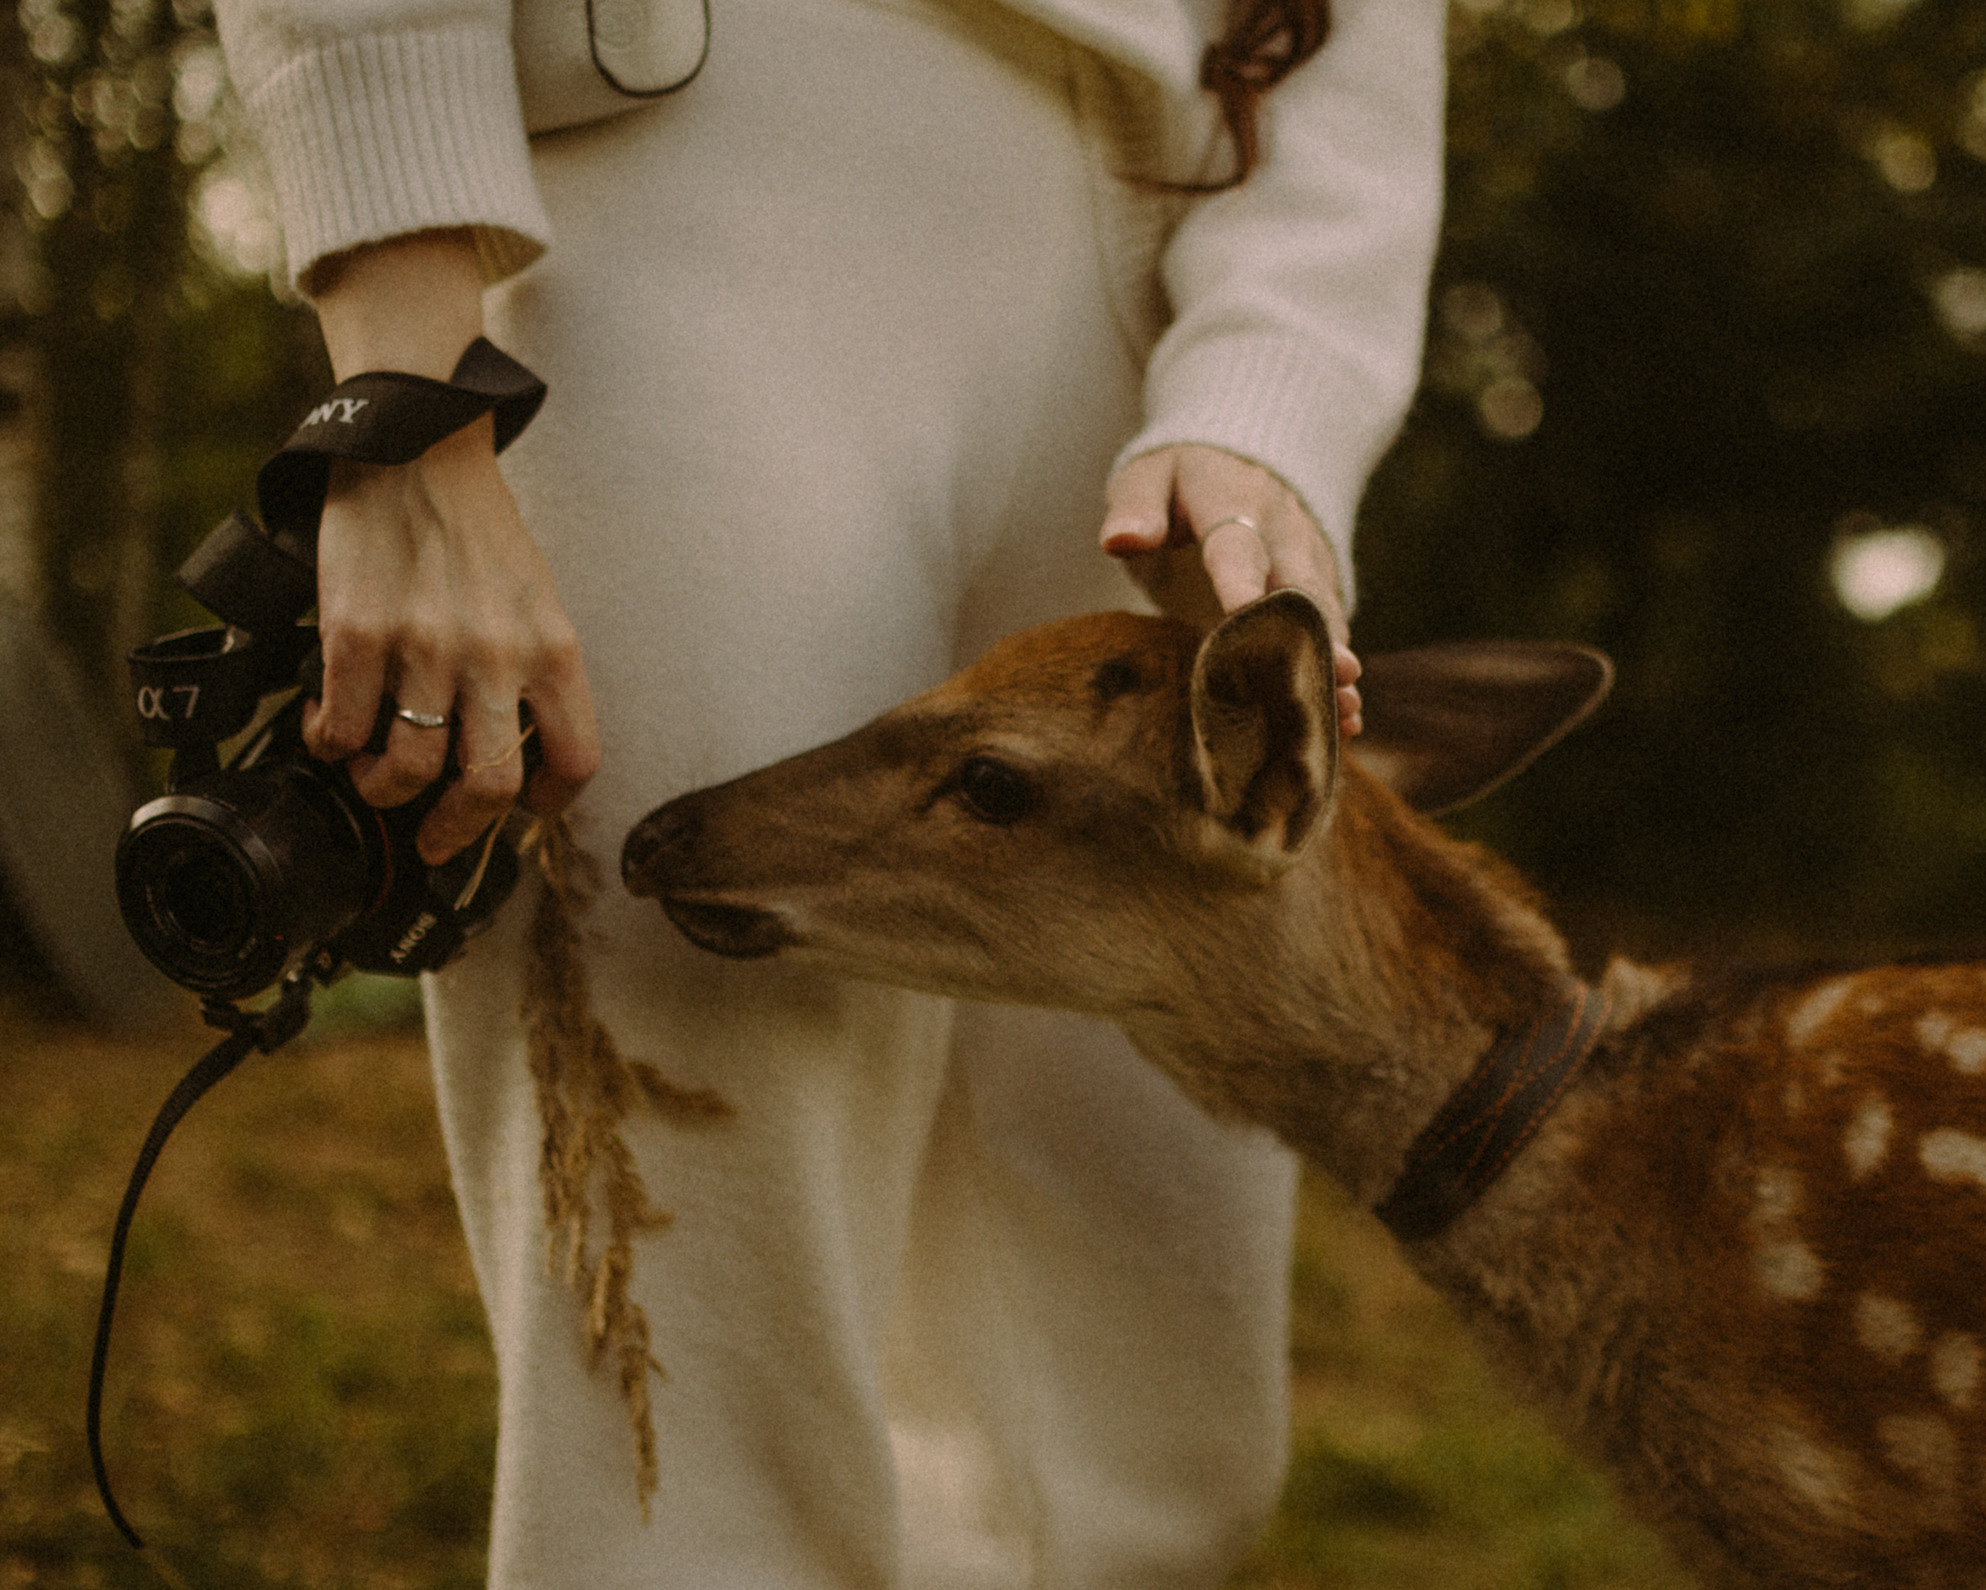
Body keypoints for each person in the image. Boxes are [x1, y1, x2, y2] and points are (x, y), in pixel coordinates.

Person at [211, 0, 1444, 1582]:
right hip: (684, 180)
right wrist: (404, 370)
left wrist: (1282, 386)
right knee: (695, 1377)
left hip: (1174, 268)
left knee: (1150, 1437)